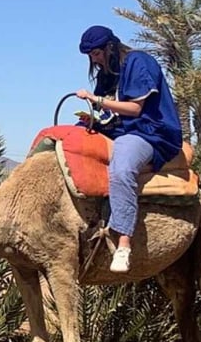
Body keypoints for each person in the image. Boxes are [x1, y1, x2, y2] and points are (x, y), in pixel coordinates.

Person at [75, 25, 183, 272]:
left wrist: (96, 100)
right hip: (119, 129)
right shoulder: (106, 74)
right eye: (91, 55)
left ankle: (123, 243)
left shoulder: (138, 62)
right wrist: (91, 118)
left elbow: (135, 110)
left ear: (110, 47)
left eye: (96, 53)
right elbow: (106, 113)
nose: (94, 59)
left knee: (121, 169)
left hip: (148, 132)